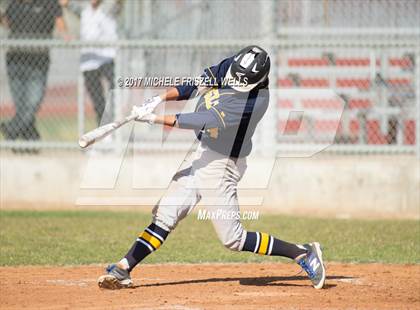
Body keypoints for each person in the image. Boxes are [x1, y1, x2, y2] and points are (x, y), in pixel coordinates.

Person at [97, 46, 326, 290]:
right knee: (165, 214)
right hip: (201, 152)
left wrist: (155, 119)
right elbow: (196, 85)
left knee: (233, 239)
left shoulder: (254, 102)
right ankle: (124, 268)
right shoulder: (233, 67)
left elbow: (203, 120)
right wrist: (159, 98)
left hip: (222, 163)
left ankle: (302, 252)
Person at [0, 0, 69, 141]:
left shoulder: (49, 3)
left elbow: (60, 23)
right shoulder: (14, 4)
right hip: (15, 60)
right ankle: (31, 141)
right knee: (21, 107)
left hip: (38, 61)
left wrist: (65, 34)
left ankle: (10, 129)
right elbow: (7, 24)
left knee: (32, 104)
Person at [60, 0, 121, 125]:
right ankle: (103, 124)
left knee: (114, 89)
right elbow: (65, 3)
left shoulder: (109, 8)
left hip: (107, 57)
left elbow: (119, 4)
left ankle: (113, 120)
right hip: (89, 61)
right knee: (96, 97)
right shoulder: (84, 10)